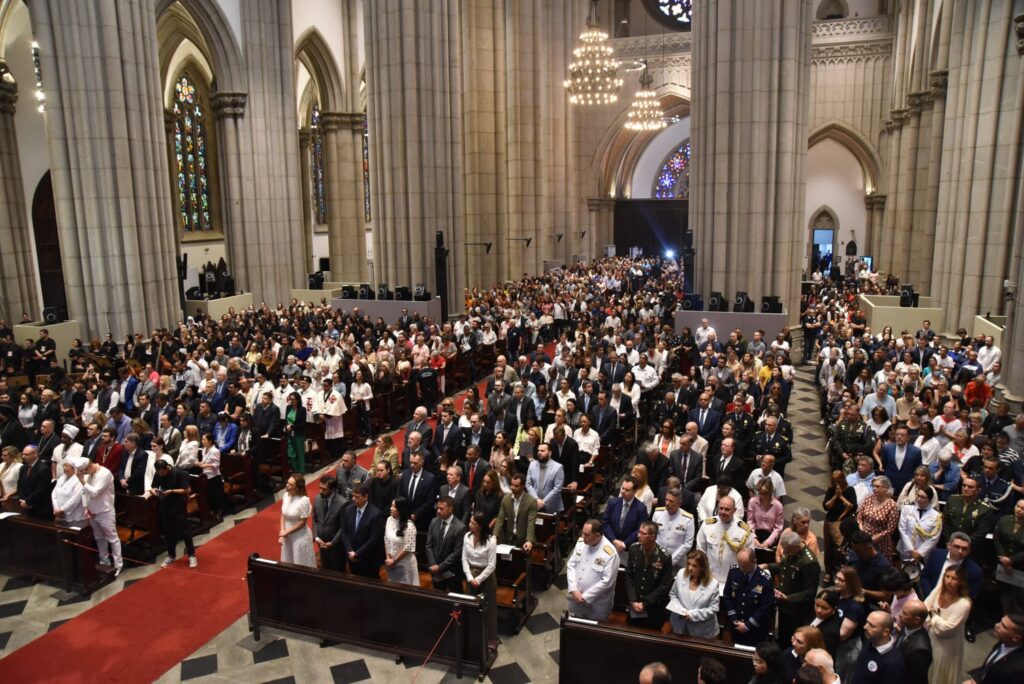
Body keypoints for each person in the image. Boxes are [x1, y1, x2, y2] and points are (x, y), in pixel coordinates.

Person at [767, 530, 821, 646]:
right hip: (785, 606)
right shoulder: (792, 551)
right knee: (783, 636)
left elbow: (810, 593)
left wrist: (788, 598)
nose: (785, 552)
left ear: (796, 546)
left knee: (792, 641)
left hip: (797, 611)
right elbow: (783, 566)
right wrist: (767, 566)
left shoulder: (809, 563)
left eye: (788, 550)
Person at [922, 565, 971, 684]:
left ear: (961, 582)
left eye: (954, 578)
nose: (949, 581)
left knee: (940, 675)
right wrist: (933, 619)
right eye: (947, 576)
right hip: (930, 638)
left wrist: (932, 617)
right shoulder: (939, 590)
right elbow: (924, 607)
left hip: (947, 647)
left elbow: (946, 629)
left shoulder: (964, 604)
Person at [624, 520, 674, 629]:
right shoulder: (633, 550)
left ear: (652, 537)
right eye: (639, 532)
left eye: (643, 533)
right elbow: (629, 577)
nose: (639, 535)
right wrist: (633, 600)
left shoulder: (664, 557)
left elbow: (664, 586)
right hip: (635, 604)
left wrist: (645, 603)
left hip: (654, 608)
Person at [567, 518, 620, 620]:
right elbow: (571, 565)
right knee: (573, 625)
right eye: (583, 533)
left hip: (597, 604)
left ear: (597, 535)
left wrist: (585, 597)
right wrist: (573, 588)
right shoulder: (581, 543)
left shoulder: (610, 553)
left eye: (587, 534)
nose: (583, 537)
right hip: (575, 596)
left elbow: (607, 582)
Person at [149, 459, 198, 568]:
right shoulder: (158, 474)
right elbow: (154, 486)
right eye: (159, 472)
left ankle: (191, 555)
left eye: (162, 472)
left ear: (167, 468)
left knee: (185, 531)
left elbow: (187, 490)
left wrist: (172, 491)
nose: (161, 474)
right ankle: (171, 555)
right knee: (168, 532)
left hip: (178, 505)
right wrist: (154, 490)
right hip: (165, 505)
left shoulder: (179, 473)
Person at [722, 547, 776, 645]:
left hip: (756, 630)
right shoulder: (734, 571)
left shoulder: (765, 580)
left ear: (754, 562)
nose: (741, 569)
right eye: (740, 565)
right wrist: (734, 619)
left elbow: (765, 607)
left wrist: (748, 625)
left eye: (745, 566)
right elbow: (727, 595)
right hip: (736, 626)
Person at [78, 455, 122, 575]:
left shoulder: (105, 474)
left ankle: (118, 565)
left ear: (90, 466)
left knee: (112, 539)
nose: (84, 474)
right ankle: (104, 561)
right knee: (99, 538)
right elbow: (84, 492)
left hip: (105, 511)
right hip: (92, 512)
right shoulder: (89, 473)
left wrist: (82, 481)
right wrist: (86, 507)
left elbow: (95, 493)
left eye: (84, 471)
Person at [696, 494, 754, 583]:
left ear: (734, 510)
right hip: (709, 577)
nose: (723, 512)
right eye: (721, 508)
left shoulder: (743, 530)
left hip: (733, 579)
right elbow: (700, 550)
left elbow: (749, 556)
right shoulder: (707, 524)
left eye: (727, 509)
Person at [462, 511, 498, 648]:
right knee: (472, 606)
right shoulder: (467, 537)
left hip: (486, 577)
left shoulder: (491, 541)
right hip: (471, 575)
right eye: (470, 522)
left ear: (480, 526)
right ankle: (474, 636)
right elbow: (464, 559)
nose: (469, 524)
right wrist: (470, 577)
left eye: (473, 523)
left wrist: (479, 579)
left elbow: (491, 565)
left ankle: (491, 639)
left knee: (489, 609)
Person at [666, 549, 720, 637]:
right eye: (688, 564)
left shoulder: (713, 585)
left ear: (702, 568)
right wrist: (680, 609)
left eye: (694, 566)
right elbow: (673, 594)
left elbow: (713, 609)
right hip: (679, 625)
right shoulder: (681, 574)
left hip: (701, 631)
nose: (690, 568)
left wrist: (692, 614)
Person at [919, 531, 983, 600]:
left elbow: (970, 595)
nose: (960, 551)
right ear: (949, 546)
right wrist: (930, 595)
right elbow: (924, 576)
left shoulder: (975, 570)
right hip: (928, 598)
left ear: (969, 551)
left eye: (964, 548)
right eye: (957, 547)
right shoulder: (936, 555)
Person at [340, 483, 385, 577]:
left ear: (365, 497)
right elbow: (343, 532)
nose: (353, 499)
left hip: (368, 560)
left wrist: (357, 553)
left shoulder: (376, 514)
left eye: (357, 497)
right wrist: (349, 550)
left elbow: (373, 539)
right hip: (351, 556)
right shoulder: (348, 509)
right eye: (353, 496)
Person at [965, 613, 1024, 683]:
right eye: (1001, 622)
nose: (997, 625)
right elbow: (989, 664)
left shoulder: (1019, 669)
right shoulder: (1004, 641)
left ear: (1016, 638)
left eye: (1004, 626)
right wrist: (976, 679)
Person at [850, 611, 905, 682]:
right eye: (866, 622)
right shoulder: (870, 641)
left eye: (871, 626)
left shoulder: (894, 663)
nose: (865, 627)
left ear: (885, 632)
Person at [603, 476, 650, 559]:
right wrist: (614, 540)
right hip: (610, 545)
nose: (623, 491)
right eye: (622, 488)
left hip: (628, 549)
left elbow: (639, 530)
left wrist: (624, 544)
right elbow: (605, 523)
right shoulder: (612, 503)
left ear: (634, 491)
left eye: (627, 490)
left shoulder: (641, 508)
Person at [425, 496, 466, 591]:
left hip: (452, 572)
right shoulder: (434, 521)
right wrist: (433, 565)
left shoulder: (460, 528)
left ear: (450, 509)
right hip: (435, 571)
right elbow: (428, 546)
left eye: (441, 509)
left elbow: (457, 553)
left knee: (455, 596)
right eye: (438, 508)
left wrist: (440, 567)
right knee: (438, 595)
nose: (438, 511)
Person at [896, 485, 942, 571]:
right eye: (918, 496)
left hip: (925, 554)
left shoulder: (936, 516)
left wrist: (920, 553)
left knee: (923, 574)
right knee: (904, 574)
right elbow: (902, 529)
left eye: (923, 497)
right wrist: (911, 549)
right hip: (906, 550)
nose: (919, 499)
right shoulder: (906, 509)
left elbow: (934, 537)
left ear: (930, 499)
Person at [857, 476, 900, 565]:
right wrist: (862, 530)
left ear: (886, 488)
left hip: (880, 541)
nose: (874, 488)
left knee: (878, 566)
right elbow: (860, 516)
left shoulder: (892, 506)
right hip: (864, 537)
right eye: (873, 486)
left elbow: (890, 529)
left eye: (877, 486)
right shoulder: (869, 498)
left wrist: (873, 539)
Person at [652, 488, 695, 570]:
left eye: (671, 501)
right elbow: (653, 537)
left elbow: (688, 544)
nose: (667, 503)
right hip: (657, 560)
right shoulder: (658, 513)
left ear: (679, 503)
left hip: (678, 563)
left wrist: (670, 561)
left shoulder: (688, 519)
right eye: (666, 500)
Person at [279, 474, 316, 568]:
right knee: (288, 560)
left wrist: (287, 531)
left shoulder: (304, 500)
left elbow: (302, 523)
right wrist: (282, 531)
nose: (287, 485)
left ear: (297, 488)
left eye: (290, 484)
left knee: (300, 562)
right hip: (287, 535)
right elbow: (283, 515)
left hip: (299, 535)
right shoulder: (285, 496)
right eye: (287, 483)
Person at [493, 472, 537, 551]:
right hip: (509, 538)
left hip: (524, 539)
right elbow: (500, 519)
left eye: (516, 486)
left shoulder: (531, 501)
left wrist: (529, 540)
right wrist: (495, 535)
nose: (512, 487)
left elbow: (531, 523)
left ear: (523, 486)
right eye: (512, 485)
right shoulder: (506, 499)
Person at [994, 499, 1024, 614]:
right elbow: (997, 539)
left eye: (1023, 509)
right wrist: (1004, 560)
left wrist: (1011, 560)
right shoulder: (1004, 520)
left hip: (1020, 567)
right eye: (1018, 506)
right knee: (1003, 594)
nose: (1019, 510)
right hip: (1003, 564)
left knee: (1017, 598)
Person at [895, 598, 932, 684]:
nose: (900, 615)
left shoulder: (920, 650)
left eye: (905, 613)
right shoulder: (907, 626)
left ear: (916, 620)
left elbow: (914, 679)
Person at [384, 496, 418, 585]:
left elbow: (408, 547)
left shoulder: (409, 526)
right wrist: (388, 558)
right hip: (391, 562)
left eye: (394, 506)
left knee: (405, 588)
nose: (391, 508)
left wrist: (394, 561)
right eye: (391, 505)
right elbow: (386, 540)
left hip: (404, 563)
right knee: (393, 586)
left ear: (401, 509)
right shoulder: (389, 520)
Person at [881, 425, 923, 495]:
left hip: (907, 485)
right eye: (897, 434)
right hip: (889, 483)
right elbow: (884, 464)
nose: (899, 437)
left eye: (902, 435)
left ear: (908, 437)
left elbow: (917, 468)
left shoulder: (916, 451)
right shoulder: (887, 448)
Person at [526, 442, 564, 513]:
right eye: (538, 451)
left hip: (551, 506)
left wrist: (543, 502)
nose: (539, 453)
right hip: (534, 503)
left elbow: (557, 488)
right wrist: (537, 500)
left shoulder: (558, 467)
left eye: (542, 451)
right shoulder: (532, 465)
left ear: (549, 453)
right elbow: (528, 484)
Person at [17, 444, 52, 519]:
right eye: (23, 454)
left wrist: (28, 501)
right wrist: (22, 500)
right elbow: (20, 485)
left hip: (40, 507)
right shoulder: (23, 468)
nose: (23, 456)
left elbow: (41, 490)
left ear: (35, 454)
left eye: (26, 454)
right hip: (25, 505)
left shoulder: (44, 469)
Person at [747, 479, 784, 551]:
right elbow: (750, 522)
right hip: (755, 533)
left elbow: (778, 528)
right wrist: (753, 538)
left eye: (765, 494)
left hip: (770, 535)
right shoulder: (752, 502)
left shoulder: (778, 506)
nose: (763, 496)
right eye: (760, 493)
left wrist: (768, 542)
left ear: (771, 492)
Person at [51, 456, 85, 524]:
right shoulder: (61, 478)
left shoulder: (78, 480)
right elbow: (54, 493)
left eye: (66, 466)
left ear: (73, 468)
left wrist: (62, 510)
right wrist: (56, 508)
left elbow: (75, 499)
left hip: (73, 516)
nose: (64, 468)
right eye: (64, 465)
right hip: (58, 512)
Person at [810, 590, 843, 656]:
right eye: (817, 605)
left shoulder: (830, 632)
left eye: (824, 608)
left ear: (834, 609)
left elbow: (824, 655)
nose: (819, 610)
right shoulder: (815, 614)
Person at [283, 391, 306, 473]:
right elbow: (286, 419)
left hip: (298, 434)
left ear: (297, 400)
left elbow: (302, 424)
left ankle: (301, 471)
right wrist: (286, 426)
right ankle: (295, 470)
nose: (291, 401)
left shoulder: (302, 410)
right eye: (290, 399)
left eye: (292, 399)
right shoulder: (288, 407)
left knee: (300, 453)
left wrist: (292, 427)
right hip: (289, 434)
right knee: (290, 454)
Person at [0, 446, 23, 512]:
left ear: (13, 456)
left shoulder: (19, 467)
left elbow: (21, 485)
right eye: (2, 455)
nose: (2, 457)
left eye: (5, 455)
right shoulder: (1, 464)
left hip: (13, 498)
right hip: (2, 497)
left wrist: (9, 494)